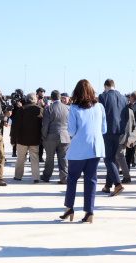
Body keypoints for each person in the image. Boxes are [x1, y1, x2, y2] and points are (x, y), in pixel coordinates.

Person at [60, 79, 106, 223]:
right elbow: (104, 129)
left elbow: (72, 130)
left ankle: (69, 208)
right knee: (91, 180)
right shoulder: (100, 107)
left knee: (72, 178)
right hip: (96, 148)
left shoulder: (74, 108)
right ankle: (89, 211)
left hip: (79, 148)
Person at [97, 79, 129, 195]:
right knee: (112, 158)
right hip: (119, 131)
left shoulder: (103, 96)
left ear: (105, 86)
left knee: (108, 159)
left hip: (107, 131)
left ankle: (117, 183)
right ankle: (107, 185)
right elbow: (126, 116)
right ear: (114, 86)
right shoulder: (124, 98)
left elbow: (100, 115)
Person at [12, 93, 44, 183]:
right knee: (35, 159)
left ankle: (18, 176)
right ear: (35, 100)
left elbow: (16, 126)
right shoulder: (40, 109)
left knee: (20, 159)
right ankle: (36, 177)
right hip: (35, 139)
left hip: (22, 139)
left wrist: (13, 139)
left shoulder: (21, 109)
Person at [41, 90, 70, 184]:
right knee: (64, 159)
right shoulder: (67, 108)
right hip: (65, 136)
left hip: (51, 136)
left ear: (51, 98)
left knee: (50, 158)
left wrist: (43, 136)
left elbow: (45, 125)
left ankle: (46, 176)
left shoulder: (49, 108)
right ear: (60, 97)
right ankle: (64, 177)